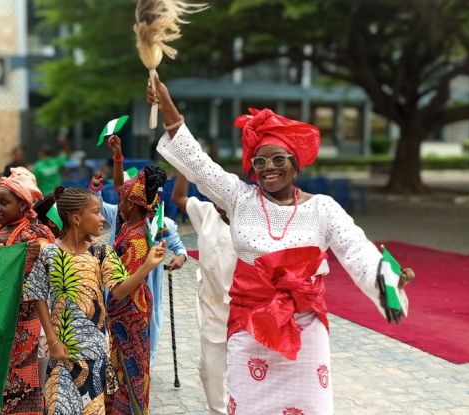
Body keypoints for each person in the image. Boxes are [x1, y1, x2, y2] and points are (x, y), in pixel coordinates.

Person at [149, 75, 415, 414]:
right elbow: (199, 165)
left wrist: (389, 283)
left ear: (295, 163)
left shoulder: (323, 208)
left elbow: (357, 251)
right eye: (259, 161)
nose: (268, 167)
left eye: (277, 159)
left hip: (306, 331)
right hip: (249, 329)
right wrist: (168, 103)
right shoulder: (239, 198)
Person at [26, 187, 166, 414]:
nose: (103, 218)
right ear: (76, 218)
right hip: (61, 352)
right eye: (96, 212)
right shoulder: (49, 253)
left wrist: (147, 266)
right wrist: (52, 341)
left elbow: (119, 291)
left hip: (95, 355)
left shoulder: (102, 252)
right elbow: (39, 295)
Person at [90, 135, 188, 366]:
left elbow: (179, 246)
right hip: (117, 283)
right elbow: (114, 192)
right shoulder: (120, 216)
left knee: (148, 324)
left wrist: (181, 257)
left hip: (144, 283)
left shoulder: (159, 224)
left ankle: (144, 363)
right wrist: (117, 157)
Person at [0, 166, 55, 415]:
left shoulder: (37, 232)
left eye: (4, 203)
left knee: (25, 372)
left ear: (22, 205)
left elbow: (57, 261)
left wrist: (43, 247)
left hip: (27, 318)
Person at [104, 164, 166, 415]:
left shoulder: (136, 239)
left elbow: (123, 287)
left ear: (130, 204)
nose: (119, 203)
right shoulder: (131, 228)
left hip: (130, 315)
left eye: (121, 199)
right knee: (123, 372)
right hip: (127, 313)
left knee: (131, 374)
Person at [172, 172, 236, 414]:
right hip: (211, 307)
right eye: (215, 196)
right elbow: (179, 197)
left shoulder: (252, 221)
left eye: (225, 197)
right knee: (211, 372)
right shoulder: (207, 212)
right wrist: (182, 169)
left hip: (243, 311)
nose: (219, 203)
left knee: (242, 373)